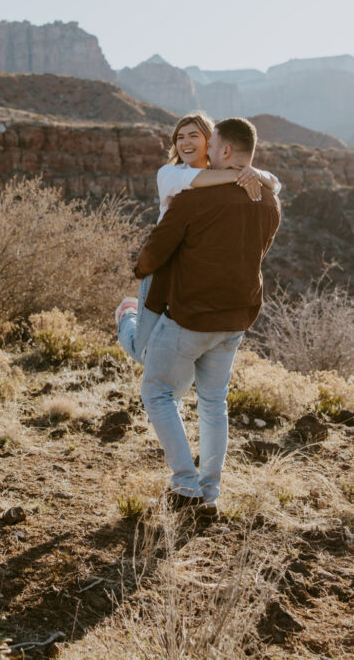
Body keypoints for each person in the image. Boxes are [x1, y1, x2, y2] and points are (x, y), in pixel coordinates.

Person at [133, 117, 281, 517]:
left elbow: (155, 251)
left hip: (191, 316)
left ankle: (185, 487)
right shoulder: (268, 198)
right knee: (214, 403)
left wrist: (139, 270)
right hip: (237, 317)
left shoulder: (191, 197)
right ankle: (209, 496)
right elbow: (259, 249)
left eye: (211, 146)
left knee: (158, 393)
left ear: (227, 152)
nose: (206, 153)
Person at [116, 112, 280, 363]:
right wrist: (245, 174)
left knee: (171, 355)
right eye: (180, 137)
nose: (185, 143)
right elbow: (194, 180)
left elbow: (276, 184)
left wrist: (255, 174)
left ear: (211, 142)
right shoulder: (170, 174)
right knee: (143, 351)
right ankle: (127, 315)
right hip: (161, 272)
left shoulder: (224, 174)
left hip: (191, 279)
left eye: (194, 136)